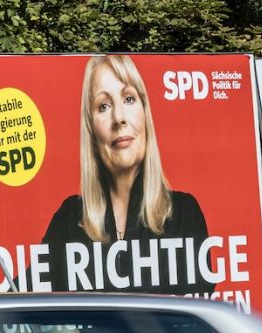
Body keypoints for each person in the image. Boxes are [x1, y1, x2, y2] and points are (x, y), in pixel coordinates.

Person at [39, 55, 214, 297]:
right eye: (103, 106)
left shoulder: (184, 214)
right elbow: (24, 307)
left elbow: (197, 326)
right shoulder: (69, 221)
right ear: (90, 128)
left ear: (145, 113)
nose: (118, 118)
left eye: (129, 99)